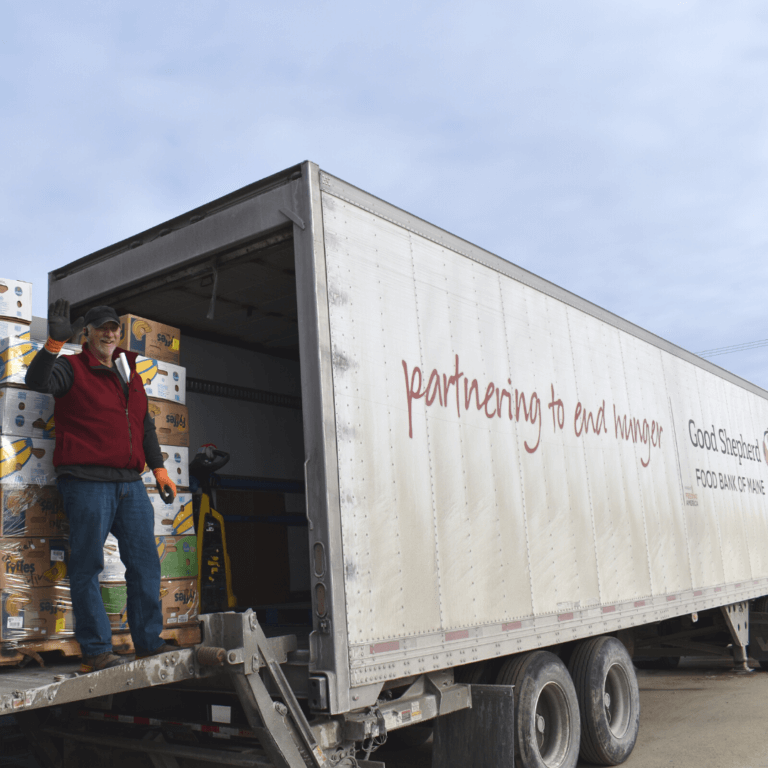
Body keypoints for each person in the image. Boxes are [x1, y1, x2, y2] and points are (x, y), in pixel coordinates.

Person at [25, 300, 178, 672]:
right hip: (87, 483)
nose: (109, 333)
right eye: (101, 328)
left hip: (130, 484)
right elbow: (37, 382)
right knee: (88, 567)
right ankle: (96, 651)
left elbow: (143, 426)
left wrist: (158, 470)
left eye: (114, 328)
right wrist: (53, 346)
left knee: (145, 566)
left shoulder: (129, 372)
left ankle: (148, 643)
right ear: (87, 334)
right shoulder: (71, 367)